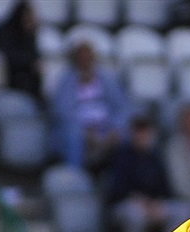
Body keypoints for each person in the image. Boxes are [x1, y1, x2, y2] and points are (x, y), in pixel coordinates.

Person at [104, 113, 190, 232]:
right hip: (128, 204)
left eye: (145, 131)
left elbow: (166, 188)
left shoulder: (156, 156)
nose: (141, 135)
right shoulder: (121, 155)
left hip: (154, 203)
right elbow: (116, 190)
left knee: (183, 210)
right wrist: (139, 200)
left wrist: (156, 203)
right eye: (138, 131)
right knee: (135, 215)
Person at [50, 38, 130, 171]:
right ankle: (75, 177)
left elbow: (121, 107)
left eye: (88, 55)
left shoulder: (106, 78)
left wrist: (115, 129)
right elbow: (62, 111)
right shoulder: (66, 80)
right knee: (73, 135)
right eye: (81, 56)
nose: (85, 59)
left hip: (106, 126)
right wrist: (86, 132)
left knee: (127, 135)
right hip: (79, 128)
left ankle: (119, 182)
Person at [0, 0, 42, 101]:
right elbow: (6, 55)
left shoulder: (30, 35)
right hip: (10, 75)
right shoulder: (6, 32)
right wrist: (29, 62)